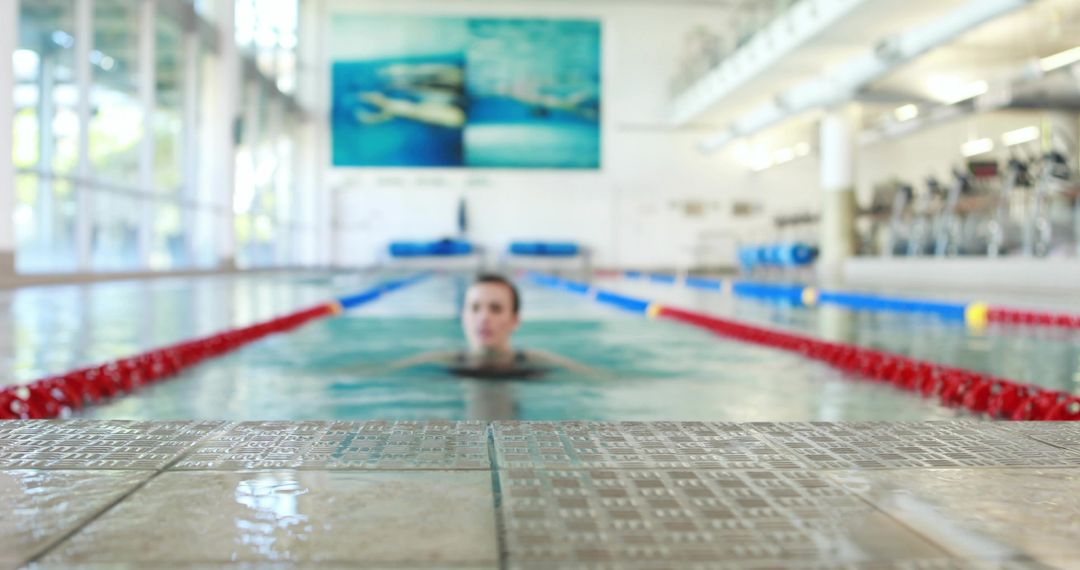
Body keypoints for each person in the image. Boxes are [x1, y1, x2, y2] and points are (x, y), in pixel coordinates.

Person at [380, 273, 606, 379]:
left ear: (515, 320)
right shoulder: (440, 360)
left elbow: (599, 377)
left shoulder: (537, 362)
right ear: (463, 317)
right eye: (475, 308)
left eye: (495, 308)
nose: (483, 318)